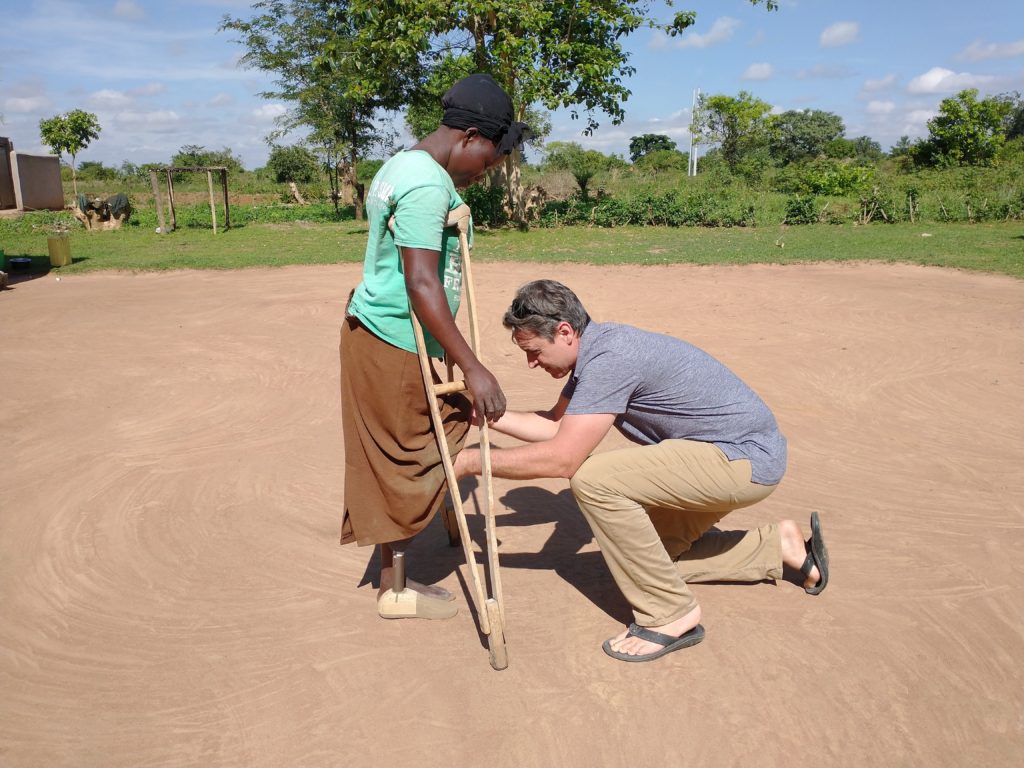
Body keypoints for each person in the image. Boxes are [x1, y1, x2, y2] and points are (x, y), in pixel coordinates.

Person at [454, 279, 829, 661]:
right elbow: (554, 425)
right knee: (655, 563)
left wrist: (473, 461)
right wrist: (480, 416)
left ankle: (670, 614)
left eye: (533, 351)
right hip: (733, 457)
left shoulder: (611, 358)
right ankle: (776, 548)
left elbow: (563, 459)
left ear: (564, 331)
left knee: (592, 479)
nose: (531, 363)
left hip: (742, 458)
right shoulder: (597, 351)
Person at [340, 74, 530, 620]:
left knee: (429, 434)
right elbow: (422, 284)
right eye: (490, 158)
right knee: (409, 454)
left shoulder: (407, 166)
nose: (489, 170)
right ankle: (394, 588)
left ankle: (417, 539)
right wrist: (474, 366)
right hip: (398, 338)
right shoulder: (425, 185)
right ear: (469, 136)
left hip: (397, 331)